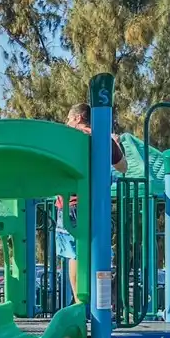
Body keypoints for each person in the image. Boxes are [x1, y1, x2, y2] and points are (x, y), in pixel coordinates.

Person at [56, 103, 126, 294]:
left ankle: (79, 300)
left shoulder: (64, 138)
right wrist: (116, 143)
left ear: (78, 118)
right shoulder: (103, 138)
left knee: (74, 254)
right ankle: (101, 299)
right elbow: (123, 167)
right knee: (99, 250)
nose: (67, 123)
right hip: (97, 203)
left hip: (69, 203)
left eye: (68, 119)